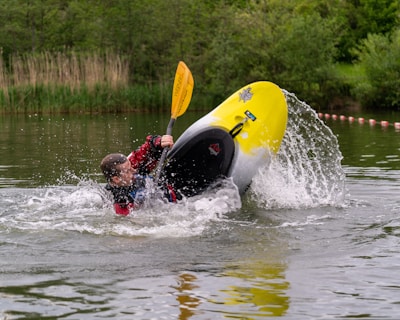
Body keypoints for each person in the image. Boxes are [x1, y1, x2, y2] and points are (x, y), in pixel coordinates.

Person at [100, 134, 179, 215]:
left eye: (131, 166)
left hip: (173, 189)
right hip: (176, 205)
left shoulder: (127, 165)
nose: (134, 170)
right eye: (128, 171)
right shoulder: (119, 201)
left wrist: (159, 142)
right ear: (116, 179)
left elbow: (147, 148)